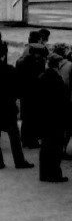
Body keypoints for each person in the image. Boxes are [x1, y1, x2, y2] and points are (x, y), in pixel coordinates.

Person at [36, 55, 70, 182]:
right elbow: (63, 102)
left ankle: (44, 174)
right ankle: (55, 174)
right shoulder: (58, 79)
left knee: (45, 147)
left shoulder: (41, 77)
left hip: (43, 117)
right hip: (56, 119)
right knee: (56, 148)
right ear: (58, 65)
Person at [0, 42, 33, 170]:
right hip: (8, 107)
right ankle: (19, 161)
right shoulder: (10, 70)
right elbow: (18, 90)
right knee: (14, 137)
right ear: (3, 55)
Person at [16, 34, 47, 148]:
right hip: (35, 93)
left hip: (24, 93)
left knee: (25, 117)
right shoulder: (39, 63)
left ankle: (24, 139)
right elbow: (40, 78)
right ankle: (32, 141)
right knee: (33, 117)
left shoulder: (20, 61)